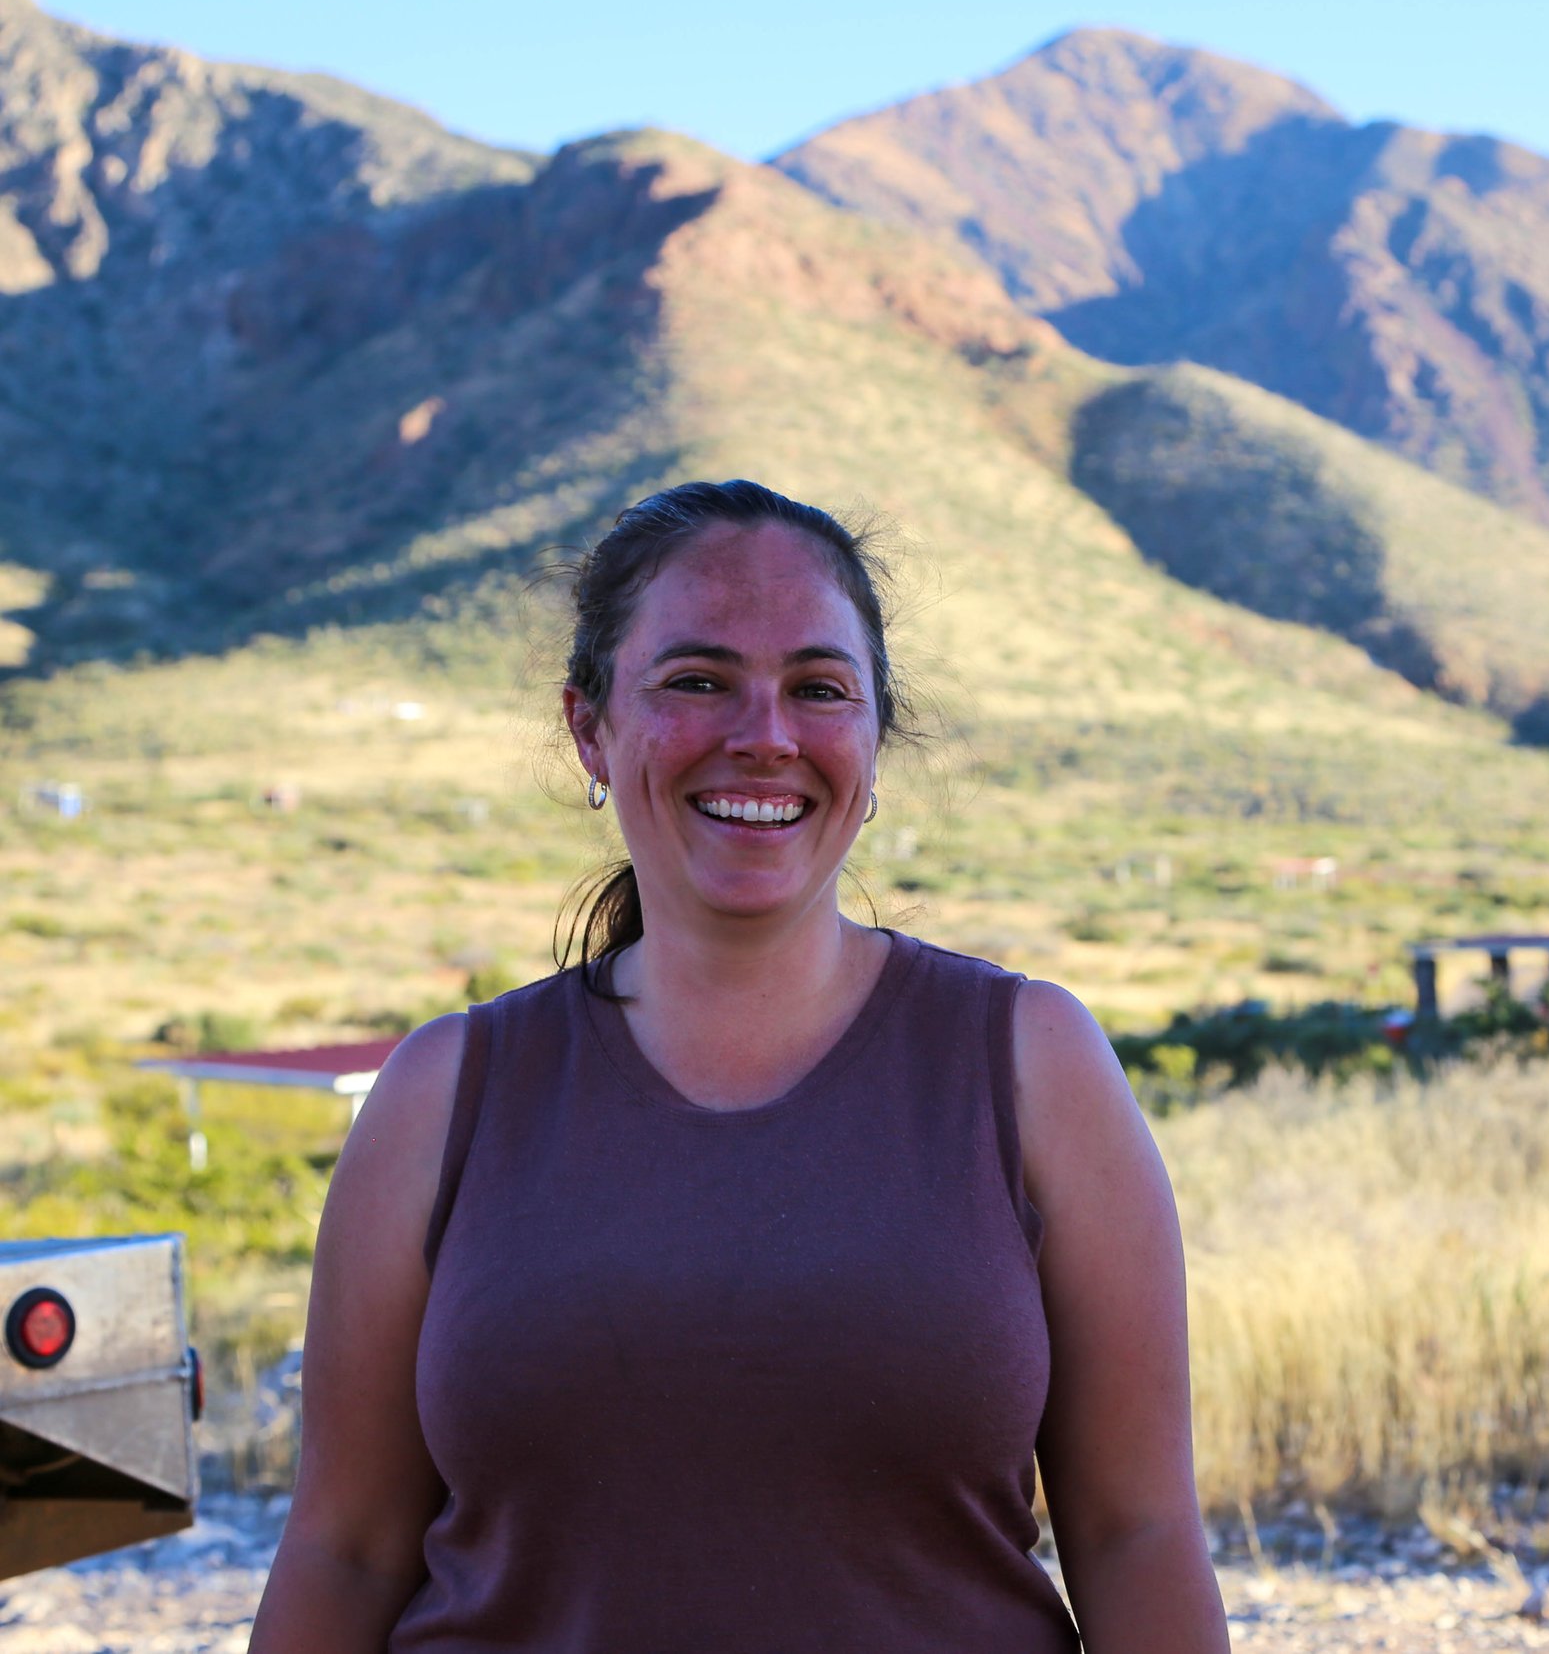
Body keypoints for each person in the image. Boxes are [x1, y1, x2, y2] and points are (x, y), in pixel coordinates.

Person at [249, 480, 1230, 1651]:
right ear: (589, 727)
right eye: (698, 681)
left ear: (874, 736)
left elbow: (1135, 1532)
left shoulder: (1030, 1062)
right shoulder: (444, 1093)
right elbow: (346, 1547)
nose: (764, 734)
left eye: (818, 688)